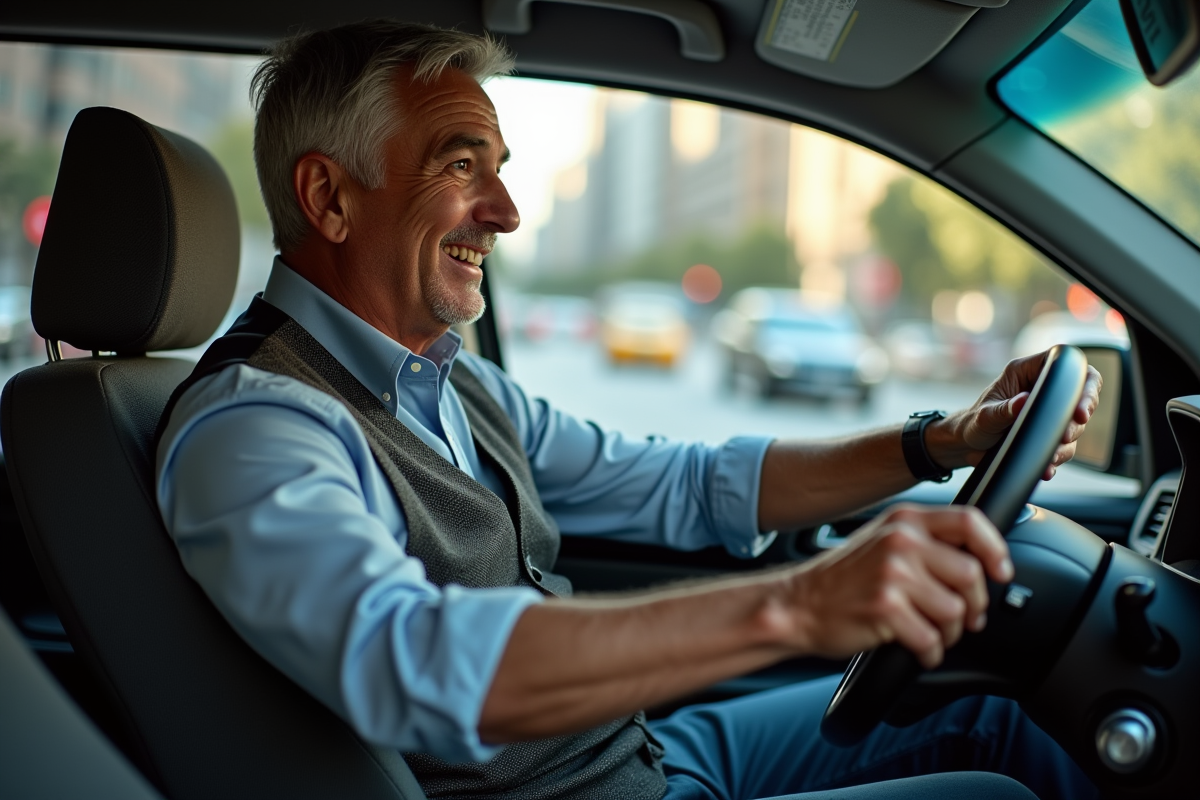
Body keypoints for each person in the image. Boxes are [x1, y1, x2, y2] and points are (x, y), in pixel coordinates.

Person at [155, 20, 1102, 800]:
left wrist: (944, 440)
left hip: (645, 758)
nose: (507, 210)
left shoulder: (456, 385)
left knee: (990, 709)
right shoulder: (256, 429)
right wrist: (799, 604)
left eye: (500, 166)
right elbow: (410, 658)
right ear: (328, 197)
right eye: (460, 166)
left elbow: (688, 484)